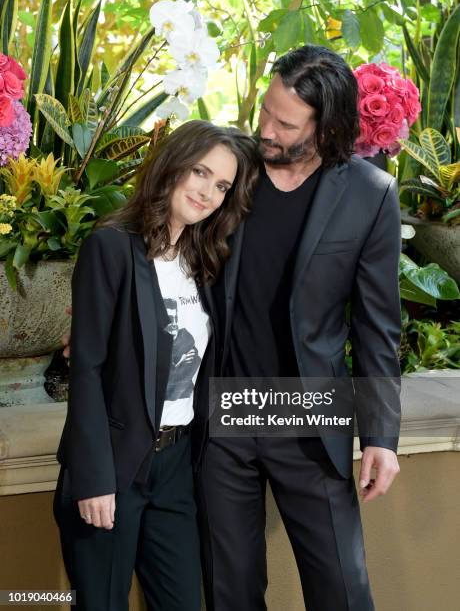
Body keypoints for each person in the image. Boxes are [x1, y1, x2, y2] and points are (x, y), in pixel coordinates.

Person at [193, 45, 402, 610]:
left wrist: (381, 436)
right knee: (230, 594)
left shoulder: (370, 193)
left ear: (326, 126)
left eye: (284, 123)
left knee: (342, 590)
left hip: (310, 414)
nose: (265, 129)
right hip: (227, 409)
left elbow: (378, 326)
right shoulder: (232, 171)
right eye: (264, 111)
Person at [53, 120, 260, 611]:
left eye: (222, 185)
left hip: (175, 466)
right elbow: (86, 369)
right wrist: (95, 478)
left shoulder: (205, 260)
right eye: (200, 172)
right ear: (172, 166)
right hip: (116, 464)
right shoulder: (111, 247)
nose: (208, 192)